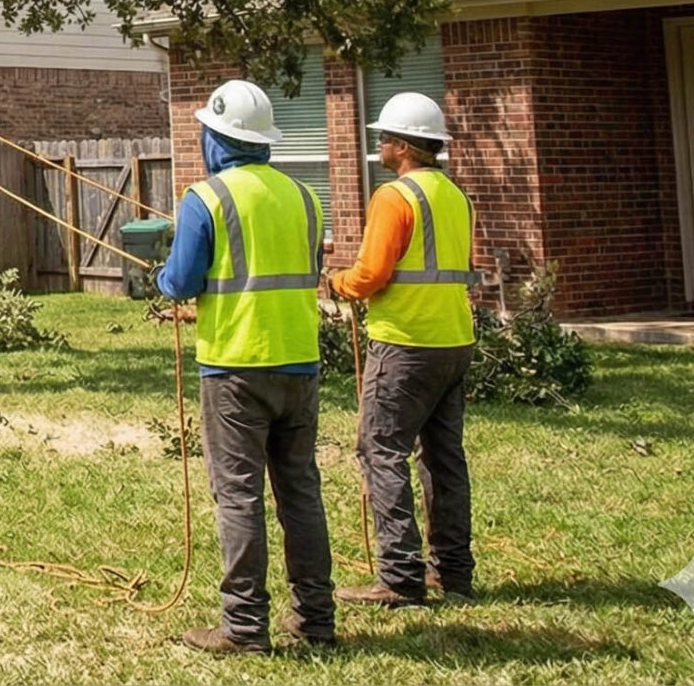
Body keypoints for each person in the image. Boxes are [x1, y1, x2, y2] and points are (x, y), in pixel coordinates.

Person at [157, 79, 337, 653]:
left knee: (238, 496)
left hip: (235, 367)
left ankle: (244, 627)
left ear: (217, 138)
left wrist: (162, 279)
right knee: (301, 492)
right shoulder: (307, 198)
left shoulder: (204, 199)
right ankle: (316, 619)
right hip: (300, 362)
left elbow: (181, 282)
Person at [332, 92, 477, 606]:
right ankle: (453, 572)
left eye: (385, 139)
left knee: (381, 450)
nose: (380, 147)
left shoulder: (394, 197)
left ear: (404, 146)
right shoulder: (456, 197)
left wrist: (337, 282)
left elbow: (371, 275)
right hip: (454, 340)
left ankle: (399, 576)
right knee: (443, 458)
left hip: (405, 343)